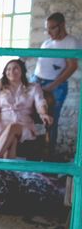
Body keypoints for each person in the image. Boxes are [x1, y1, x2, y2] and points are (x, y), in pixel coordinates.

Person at [32, 12, 80, 155]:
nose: (49, 32)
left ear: (62, 25)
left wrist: (53, 85)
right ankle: (30, 151)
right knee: (30, 115)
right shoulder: (46, 42)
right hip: (36, 81)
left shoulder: (71, 42)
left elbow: (72, 66)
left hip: (54, 86)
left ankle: (48, 155)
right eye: (47, 28)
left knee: (51, 121)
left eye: (52, 28)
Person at [0, 59, 53, 159]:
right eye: (8, 69)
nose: (11, 71)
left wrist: (44, 113)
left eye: (15, 68)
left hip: (23, 125)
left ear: (22, 71)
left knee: (13, 127)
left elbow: (40, 103)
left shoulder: (34, 87)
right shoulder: (0, 87)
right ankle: (6, 170)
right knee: (12, 138)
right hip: (2, 124)